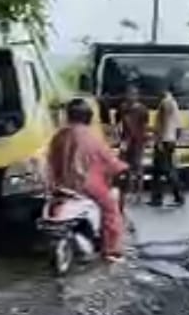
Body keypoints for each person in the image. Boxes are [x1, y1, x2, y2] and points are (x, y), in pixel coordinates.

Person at [47, 98, 128, 261]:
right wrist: (122, 168)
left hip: (60, 185)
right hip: (87, 186)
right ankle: (111, 250)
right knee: (111, 210)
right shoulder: (92, 138)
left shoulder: (59, 136)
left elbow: (50, 160)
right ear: (88, 117)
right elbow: (108, 160)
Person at [149, 84, 184, 207]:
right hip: (170, 140)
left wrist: (158, 140)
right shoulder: (174, 104)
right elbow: (179, 128)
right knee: (158, 171)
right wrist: (174, 140)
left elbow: (162, 123)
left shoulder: (165, 103)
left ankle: (178, 196)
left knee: (166, 170)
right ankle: (157, 198)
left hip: (163, 141)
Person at [118, 84, 149, 205]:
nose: (131, 96)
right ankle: (128, 192)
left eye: (133, 94)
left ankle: (139, 194)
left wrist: (145, 140)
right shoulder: (123, 107)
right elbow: (118, 124)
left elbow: (145, 126)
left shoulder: (142, 109)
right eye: (129, 94)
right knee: (126, 168)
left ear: (137, 96)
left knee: (138, 168)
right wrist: (120, 139)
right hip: (126, 142)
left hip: (138, 142)